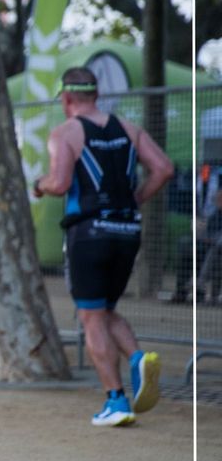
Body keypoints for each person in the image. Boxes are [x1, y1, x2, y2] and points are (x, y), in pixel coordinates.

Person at [33, 67, 173, 426]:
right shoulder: (129, 129)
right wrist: (134, 200)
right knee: (106, 310)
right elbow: (164, 169)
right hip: (127, 230)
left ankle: (116, 401)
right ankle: (138, 358)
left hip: (89, 232)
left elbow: (62, 182)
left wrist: (40, 185)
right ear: (95, 95)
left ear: (66, 99)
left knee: (90, 316)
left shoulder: (64, 133)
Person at [171, 171, 222, 305]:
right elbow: (208, 230)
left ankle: (199, 284)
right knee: (187, 245)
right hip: (209, 241)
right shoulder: (215, 214)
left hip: (217, 245)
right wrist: (203, 237)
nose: (218, 197)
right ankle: (182, 291)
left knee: (215, 248)